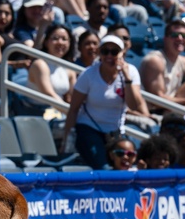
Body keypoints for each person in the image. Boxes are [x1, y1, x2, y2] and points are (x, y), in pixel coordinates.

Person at [62, 34, 151, 169]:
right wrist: (66, 139)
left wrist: (127, 80)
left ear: (122, 53)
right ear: (99, 53)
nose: (109, 55)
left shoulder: (131, 72)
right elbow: (74, 108)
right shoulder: (88, 74)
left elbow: (133, 105)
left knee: (122, 167)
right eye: (105, 51)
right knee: (104, 167)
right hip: (89, 128)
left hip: (115, 131)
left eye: (114, 52)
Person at [140, 19, 185, 111]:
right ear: (165, 39)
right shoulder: (155, 61)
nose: (180, 38)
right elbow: (157, 101)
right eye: (175, 35)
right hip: (155, 110)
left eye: (184, 36)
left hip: (172, 105)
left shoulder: (182, 61)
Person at [27, 23, 77, 109]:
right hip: (37, 113)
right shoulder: (39, 64)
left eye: (64, 39)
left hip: (58, 112)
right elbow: (49, 95)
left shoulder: (69, 68)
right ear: (46, 42)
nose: (60, 42)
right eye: (55, 38)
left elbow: (74, 97)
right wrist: (71, 114)